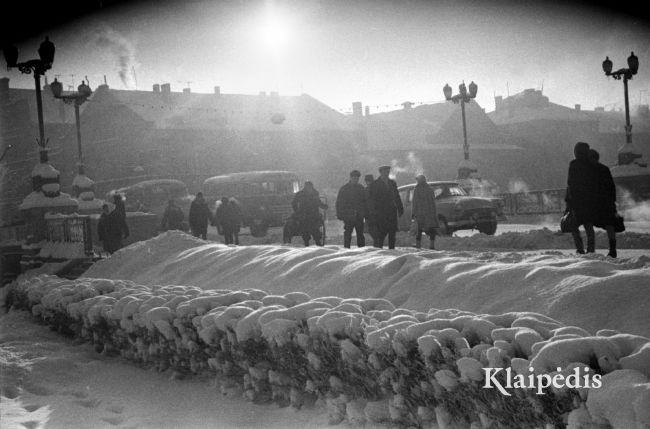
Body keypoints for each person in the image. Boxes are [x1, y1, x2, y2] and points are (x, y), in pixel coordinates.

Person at [565, 142, 599, 254]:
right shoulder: (591, 164)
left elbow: (571, 184)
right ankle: (591, 250)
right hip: (589, 201)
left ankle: (580, 249)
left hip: (577, 202)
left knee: (574, 227)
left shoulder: (574, 164)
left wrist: (569, 201)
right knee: (589, 226)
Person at [589, 149, 618, 258]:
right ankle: (612, 249)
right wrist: (612, 201)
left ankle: (591, 250)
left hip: (598, 202)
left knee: (590, 224)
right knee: (609, 225)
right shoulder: (604, 169)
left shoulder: (589, 171)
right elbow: (611, 186)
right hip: (607, 202)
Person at [368, 165, 404, 249]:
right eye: (385, 172)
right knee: (381, 232)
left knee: (392, 232)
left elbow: (396, 196)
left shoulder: (392, 183)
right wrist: (373, 211)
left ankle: (392, 249)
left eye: (388, 172)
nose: (387, 173)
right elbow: (372, 199)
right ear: (381, 172)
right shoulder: (375, 184)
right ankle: (379, 249)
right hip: (380, 212)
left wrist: (400, 207)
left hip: (391, 210)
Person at [335, 170, 367, 248]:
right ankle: (347, 249)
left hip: (358, 215)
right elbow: (339, 203)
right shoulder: (344, 189)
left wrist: (365, 213)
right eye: (354, 178)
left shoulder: (361, 188)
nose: (356, 179)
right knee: (348, 233)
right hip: (348, 215)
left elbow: (365, 202)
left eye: (357, 178)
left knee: (360, 234)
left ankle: (361, 249)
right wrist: (340, 214)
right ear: (351, 178)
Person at [292, 181, 328, 246]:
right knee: (306, 231)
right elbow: (294, 203)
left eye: (310, 187)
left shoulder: (315, 193)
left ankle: (317, 243)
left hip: (313, 215)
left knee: (315, 231)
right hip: (304, 215)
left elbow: (318, 202)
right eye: (308, 187)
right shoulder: (300, 194)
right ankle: (307, 244)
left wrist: (323, 206)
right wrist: (297, 212)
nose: (309, 189)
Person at [412, 174, 439, 250]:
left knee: (419, 229)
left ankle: (418, 244)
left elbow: (415, 202)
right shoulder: (430, 189)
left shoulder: (417, 189)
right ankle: (432, 245)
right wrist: (434, 212)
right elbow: (433, 202)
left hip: (420, 212)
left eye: (417, 180)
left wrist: (413, 213)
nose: (417, 181)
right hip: (429, 212)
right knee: (431, 228)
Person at [363, 174, 377, 243]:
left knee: (374, 230)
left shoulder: (377, 189)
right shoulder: (365, 190)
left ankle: (377, 242)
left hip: (375, 213)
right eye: (367, 181)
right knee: (371, 230)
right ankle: (376, 242)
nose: (368, 182)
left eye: (369, 181)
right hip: (368, 213)